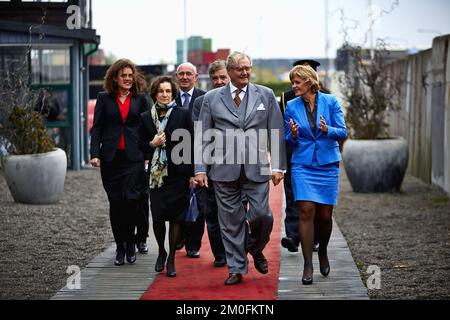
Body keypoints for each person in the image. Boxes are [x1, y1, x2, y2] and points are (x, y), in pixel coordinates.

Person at [194, 52, 286, 285]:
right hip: (223, 170)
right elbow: (202, 136)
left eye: (248, 68)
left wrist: (278, 167)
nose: (245, 73)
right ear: (230, 70)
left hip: (257, 168)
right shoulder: (212, 98)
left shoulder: (264, 95)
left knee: (263, 216)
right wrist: (200, 169)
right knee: (230, 222)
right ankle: (236, 268)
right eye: (240, 69)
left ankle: (255, 249)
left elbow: (276, 131)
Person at [285, 65, 347, 285]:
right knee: (305, 210)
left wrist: (327, 129)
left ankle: (323, 252)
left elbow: (343, 131)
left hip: (327, 164)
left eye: (297, 82)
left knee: (324, 216)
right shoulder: (291, 106)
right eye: (292, 83)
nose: (293, 87)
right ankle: (307, 264)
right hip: (302, 164)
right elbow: (288, 140)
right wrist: (292, 135)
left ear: (309, 81)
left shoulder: (330, 102)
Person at [90, 58, 149, 266]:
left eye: (130, 76)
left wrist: (148, 154)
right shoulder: (104, 98)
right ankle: (120, 247)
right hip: (111, 159)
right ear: (115, 77)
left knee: (131, 201)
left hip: (134, 158)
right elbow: (96, 127)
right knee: (116, 203)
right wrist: (94, 153)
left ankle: (131, 243)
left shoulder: (140, 99)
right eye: (123, 75)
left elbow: (147, 127)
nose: (127, 79)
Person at [139, 76, 194, 277]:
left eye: (168, 91)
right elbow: (139, 146)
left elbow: (190, 144)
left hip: (178, 175)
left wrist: (192, 173)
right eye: (161, 91)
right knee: (159, 217)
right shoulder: (145, 117)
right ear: (155, 94)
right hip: (156, 176)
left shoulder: (183, 114)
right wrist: (152, 144)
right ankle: (161, 251)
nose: (164, 94)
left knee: (176, 217)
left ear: (173, 94)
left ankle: (171, 258)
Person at [279, 59, 327, 254]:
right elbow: (283, 130)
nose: (295, 84)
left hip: (318, 159)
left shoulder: (326, 98)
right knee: (292, 197)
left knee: (314, 200)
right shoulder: (286, 99)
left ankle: (314, 238)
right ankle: (293, 236)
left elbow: (338, 130)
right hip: (294, 155)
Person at [190, 60, 229, 267]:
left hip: (236, 166)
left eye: (223, 77)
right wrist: (198, 169)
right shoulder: (201, 102)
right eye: (215, 78)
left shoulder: (241, 100)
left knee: (235, 213)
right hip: (210, 166)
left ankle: (235, 252)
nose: (219, 81)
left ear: (230, 76)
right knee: (212, 215)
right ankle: (220, 255)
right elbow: (199, 136)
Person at [175, 62, 206, 258]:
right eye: (181, 74)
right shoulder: (169, 97)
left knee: (198, 202)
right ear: (176, 77)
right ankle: (179, 236)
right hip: (176, 157)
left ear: (195, 77)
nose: (185, 77)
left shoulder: (204, 98)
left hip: (198, 156)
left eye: (189, 74)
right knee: (178, 200)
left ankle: (193, 244)